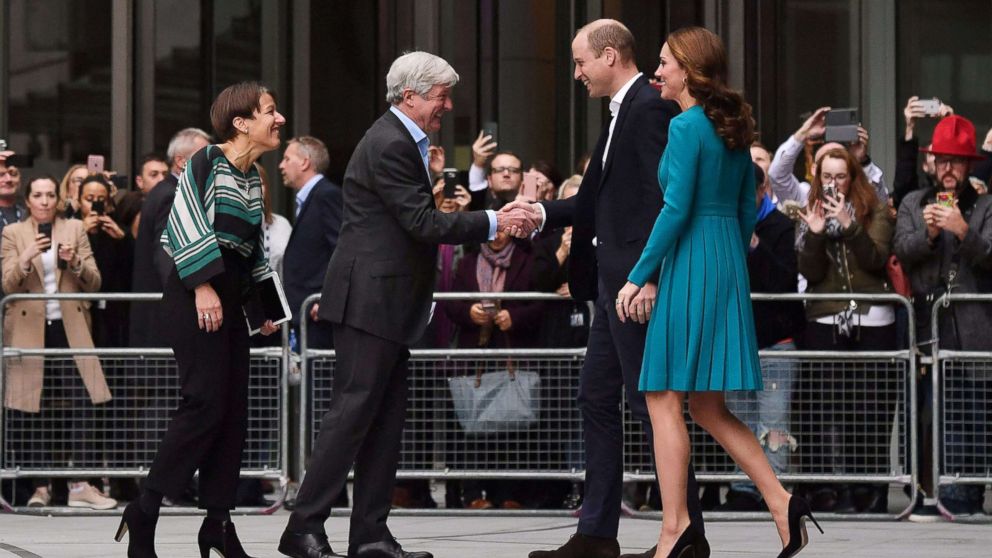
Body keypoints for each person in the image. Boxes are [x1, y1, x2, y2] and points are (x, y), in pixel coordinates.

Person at [278, 51, 535, 558]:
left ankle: (370, 534)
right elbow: (423, 222)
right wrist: (494, 221)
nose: (448, 105)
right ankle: (304, 526)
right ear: (411, 95)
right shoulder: (390, 142)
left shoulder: (399, 141)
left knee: (384, 421)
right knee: (353, 416)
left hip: (386, 304)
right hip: (371, 302)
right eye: (442, 96)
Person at [614, 27, 819, 558]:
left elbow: (675, 209)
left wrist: (640, 274)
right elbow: (748, 209)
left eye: (663, 63)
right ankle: (781, 502)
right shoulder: (732, 127)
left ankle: (674, 530)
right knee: (706, 405)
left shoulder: (686, 126)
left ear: (687, 68)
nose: (656, 72)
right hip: (725, 261)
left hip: (691, 262)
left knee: (662, 397)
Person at [504, 20, 703, 558]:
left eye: (580, 62)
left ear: (609, 56)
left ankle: (687, 530)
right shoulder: (622, 112)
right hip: (613, 288)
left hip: (634, 288)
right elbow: (592, 200)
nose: (576, 73)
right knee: (597, 396)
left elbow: (667, 200)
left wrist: (650, 277)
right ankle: (596, 533)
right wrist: (539, 211)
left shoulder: (649, 109)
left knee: (650, 404)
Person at [114, 82, 283, 558]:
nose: (280, 119)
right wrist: (203, 286)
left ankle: (218, 524)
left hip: (229, 295)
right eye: (271, 110)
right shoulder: (207, 160)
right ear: (242, 121)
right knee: (203, 403)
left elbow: (253, 252)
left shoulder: (251, 177)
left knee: (232, 413)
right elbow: (184, 223)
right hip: (195, 291)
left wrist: (264, 312)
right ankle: (145, 508)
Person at [893, 114, 992, 519]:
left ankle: (968, 497)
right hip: (925, 327)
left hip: (973, 327)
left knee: (975, 414)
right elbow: (902, 249)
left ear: (969, 165)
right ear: (930, 163)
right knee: (930, 414)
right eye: (941, 160)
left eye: (957, 161)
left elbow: (989, 257)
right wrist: (931, 235)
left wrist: (963, 231)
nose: (948, 169)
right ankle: (933, 494)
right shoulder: (915, 203)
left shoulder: (986, 205)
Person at [2, 175, 114, 510]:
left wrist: (75, 261)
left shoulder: (74, 229)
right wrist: (25, 259)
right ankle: (41, 487)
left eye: (51, 195)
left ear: (58, 199)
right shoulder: (13, 233)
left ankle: (81, 483)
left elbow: (95, 282)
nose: (45, 201)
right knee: (31, 407)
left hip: (71, 326)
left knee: (83, 401)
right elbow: (7, 285)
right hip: (29, 328)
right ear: (28, 200)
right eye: (38, 195)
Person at [795, 147, 896, 514]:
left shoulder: (877, 209)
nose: (833, 184)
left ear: (853, 178)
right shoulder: (811, 211)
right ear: (817, 178)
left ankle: (869, 487)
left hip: (872, 317)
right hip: (825, 317)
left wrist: (851, 226)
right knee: (826, 407)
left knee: (870, 410)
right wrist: (817, 232)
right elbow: (811, 271)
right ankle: (828, 490)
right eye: (826, 177)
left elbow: (875, 259)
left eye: (840, 176)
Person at [719, 164, 805, 512]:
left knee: (774, 423)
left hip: (775, 341)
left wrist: (755, 245)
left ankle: (774, 493)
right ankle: (743, 486)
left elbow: (783, 281)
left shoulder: (781, 226)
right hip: (737, 340)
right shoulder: (725, 225)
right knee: (739, 420)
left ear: (761, 188)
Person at [129, 128, 211, 349]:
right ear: (181, 161)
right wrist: (191, 295)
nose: (212, 161)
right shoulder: (171, 195)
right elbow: (168, 253)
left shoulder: (169, 191)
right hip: (166, 313)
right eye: (205, 154)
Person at [279, 135, 342, 349]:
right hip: (307, 313)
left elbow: (341, 250)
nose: (281, 165)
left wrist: (328, 297)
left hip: (318, 313)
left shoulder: (327, 195)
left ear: (305, 162)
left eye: (287, 159)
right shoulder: (314, 196)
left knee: (319, 380)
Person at [77, 175, 133, 348]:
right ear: (79, 202)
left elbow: (131, 269)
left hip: (111, 313)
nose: (95, 204)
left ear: (108, 203)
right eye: (89, 199)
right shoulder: (70, 228)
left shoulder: (117, 230)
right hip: (80, 309)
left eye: (101, 200)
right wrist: (81, 232)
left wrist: (123, 239)